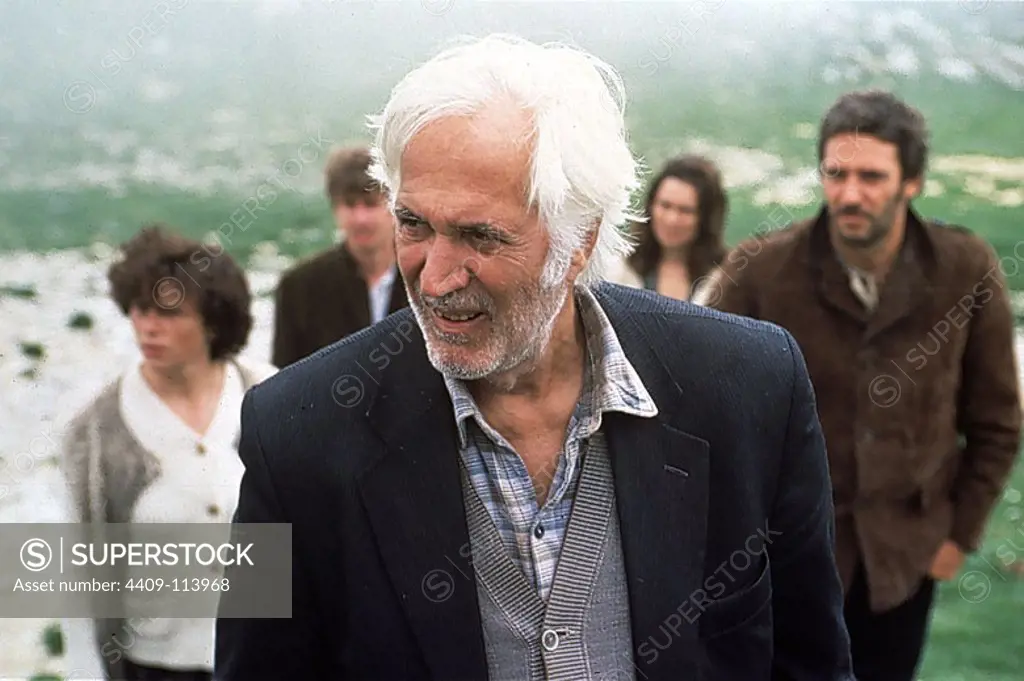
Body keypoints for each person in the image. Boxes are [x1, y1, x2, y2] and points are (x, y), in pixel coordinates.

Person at [215, 34, 853, 680]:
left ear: (579, 242)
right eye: (413, 224)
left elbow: (812, 662)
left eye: (479, 236)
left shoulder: (751, 387)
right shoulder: (290, 434)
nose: (433, 279)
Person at [698, 90, 1022, 681]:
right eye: (836, 173)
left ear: (912, 181)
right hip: (779, 563)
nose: (850, 193)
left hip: (902, 564)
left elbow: (997, 420)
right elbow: (707, 420)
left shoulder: (965, 269)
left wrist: (957, 539)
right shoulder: (758, 272)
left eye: (871, 176)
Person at [58, 225, 277, 681]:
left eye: (168, 312)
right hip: (157, 668)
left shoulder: (272, 396)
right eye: (139, 309)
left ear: (213, 320)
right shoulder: (96, 433)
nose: (148, 326)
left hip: (268, 657)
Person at [271, 145, 407, 367]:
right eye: (350, 205)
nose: (360, 218)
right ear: (335, 208)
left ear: (394, 206)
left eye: (371, 204)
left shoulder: (424, 278)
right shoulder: (298, 287)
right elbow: (284, 378)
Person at [624, 154, 728, 301]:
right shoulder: (620, 267)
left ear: (705, 218)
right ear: (650, 206)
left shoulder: (724, 278)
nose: (672, 219)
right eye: (665, 206)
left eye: (685, 210)